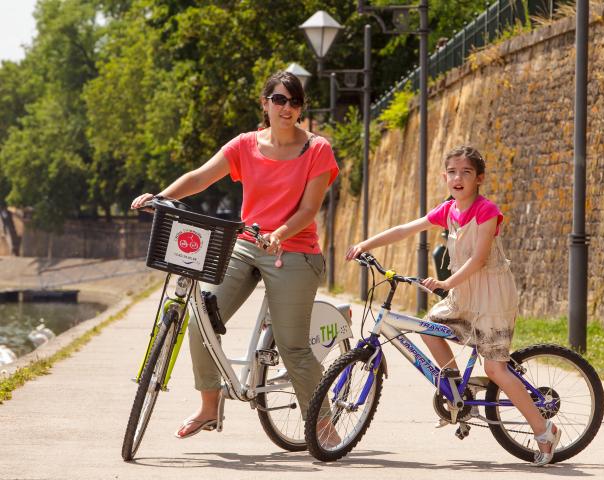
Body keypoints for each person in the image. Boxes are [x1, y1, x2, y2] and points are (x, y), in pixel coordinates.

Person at [131, 71, 340, 442]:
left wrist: (279, 234)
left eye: (294, 102)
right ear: (265, 103)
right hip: (246, 243)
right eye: (279, 100)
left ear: (301, 108)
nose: (286, 108)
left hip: (294, 250)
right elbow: (200, 177)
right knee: (201, 318)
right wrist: (160, 197)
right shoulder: (245, 145)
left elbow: (309, 209)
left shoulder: (317, 149)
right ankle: (209, 407)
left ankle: (323, 423)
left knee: (292, 349)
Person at [345, 145, 562, 466]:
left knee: (495, 368)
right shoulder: (449, 210)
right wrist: (366, 243)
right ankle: (460, 394)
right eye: (452, 172)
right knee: (429, 328)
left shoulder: (487, 210)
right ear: (445, 176)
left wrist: (446, 283)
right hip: (463, 295)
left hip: (491, 295)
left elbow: (477, 259)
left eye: (466, 173)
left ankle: (545, 432)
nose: (458, 178)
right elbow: (406, 228)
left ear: (479, 179)